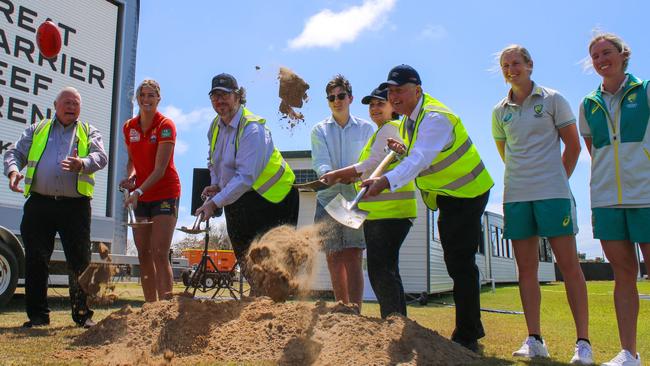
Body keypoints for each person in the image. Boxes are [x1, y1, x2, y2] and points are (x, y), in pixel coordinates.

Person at [362, 65, 493, 352]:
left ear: (417, 89)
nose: (393, 96)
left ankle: (468, 336)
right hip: (449, 195)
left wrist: (385, 181)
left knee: (460, 262)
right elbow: (419, 154)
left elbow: (420, 160)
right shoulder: (411, 120)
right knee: (455, 261)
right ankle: (469, 330)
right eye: (391, 91)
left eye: (400, 90)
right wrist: (404, 150)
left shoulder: (435, 117)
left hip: (468, 191)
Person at [492, 45, 592, 364]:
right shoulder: (499, 111)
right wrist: (528, 179)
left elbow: (574, 146)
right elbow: (506, 154)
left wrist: (555, 179)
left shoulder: (553, 99)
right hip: (517, 196)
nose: (511, 69)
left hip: (553, 195)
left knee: (568, 266)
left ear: (530, 65)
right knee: (526, 269)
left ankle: (583, 343)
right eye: (506, 65)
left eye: (516, 63)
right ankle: (535, 339)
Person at [3, 87, 108, 328]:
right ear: (56, 105)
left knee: (79, 261)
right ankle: (38, 316)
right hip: (40, 205)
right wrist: (12, 171)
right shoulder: (37, 129)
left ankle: (82, 315)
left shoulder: (88, 131)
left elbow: (101, 156)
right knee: (36, 259)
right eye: (67, 102)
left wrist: (83, 162)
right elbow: (15, 153)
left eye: (76, 103)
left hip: (76, 207)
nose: (71, 107)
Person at [579, 33, 647, 366]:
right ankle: (629, 353)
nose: (601, 58)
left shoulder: (645, 90)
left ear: (622, 55)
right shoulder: (588, 103)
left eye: (607, 52)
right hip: (606, 198)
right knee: (623, 274)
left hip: (646, 193)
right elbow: (593, 149)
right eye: (595, 55)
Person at [195, 73, 299, 291]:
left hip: (274, 198)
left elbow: (245, 176)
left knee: (271, 261)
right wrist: (216, 184)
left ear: (238, 97)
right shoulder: (214, 126)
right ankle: (258, 301)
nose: (219, 100)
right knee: (246, 257)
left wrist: (214, 203)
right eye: (215, 96)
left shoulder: (252, 128)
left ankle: (275, 307)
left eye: (225, 95)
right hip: (241, 197)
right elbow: (214, 161)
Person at [320, 86, 416, 318]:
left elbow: (371, 163)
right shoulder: (382, 132)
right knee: (386, 270)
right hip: (382, 214)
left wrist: (337, 174)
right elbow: (369, 169)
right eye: (371, 105)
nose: (374, 109)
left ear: (392, 106)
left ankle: (395, 322)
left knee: (382, 271)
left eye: (380, 104)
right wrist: (354, 176)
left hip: (390, 213)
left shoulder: (391, 129)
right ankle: (396, 321)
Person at [311, 75, 374, 311]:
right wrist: (332, 175)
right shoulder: (319, 130)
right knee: (333, 257)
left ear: (350, 98)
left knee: (353, 256)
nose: (336, 101)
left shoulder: (366, 128)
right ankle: (341, 308)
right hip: (329, 199)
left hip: (353, 199)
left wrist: (354, 175)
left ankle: (355, 309)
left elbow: (369, 161)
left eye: (340, 96)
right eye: (331, 98)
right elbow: (321, 163)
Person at [120, 79, 180, 302]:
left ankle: (165, 308)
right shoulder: (129, 127)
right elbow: (132, 161)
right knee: (143, 252)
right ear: (137, 99)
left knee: (159, 252)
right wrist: (131, 179)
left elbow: (160, 168)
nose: (146, 99)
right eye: (142, 95)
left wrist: (138, 191)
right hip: (141, 194)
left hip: (165, 192)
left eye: (151, 95)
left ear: (158, 99)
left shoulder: (165, 125)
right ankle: (149, 309)